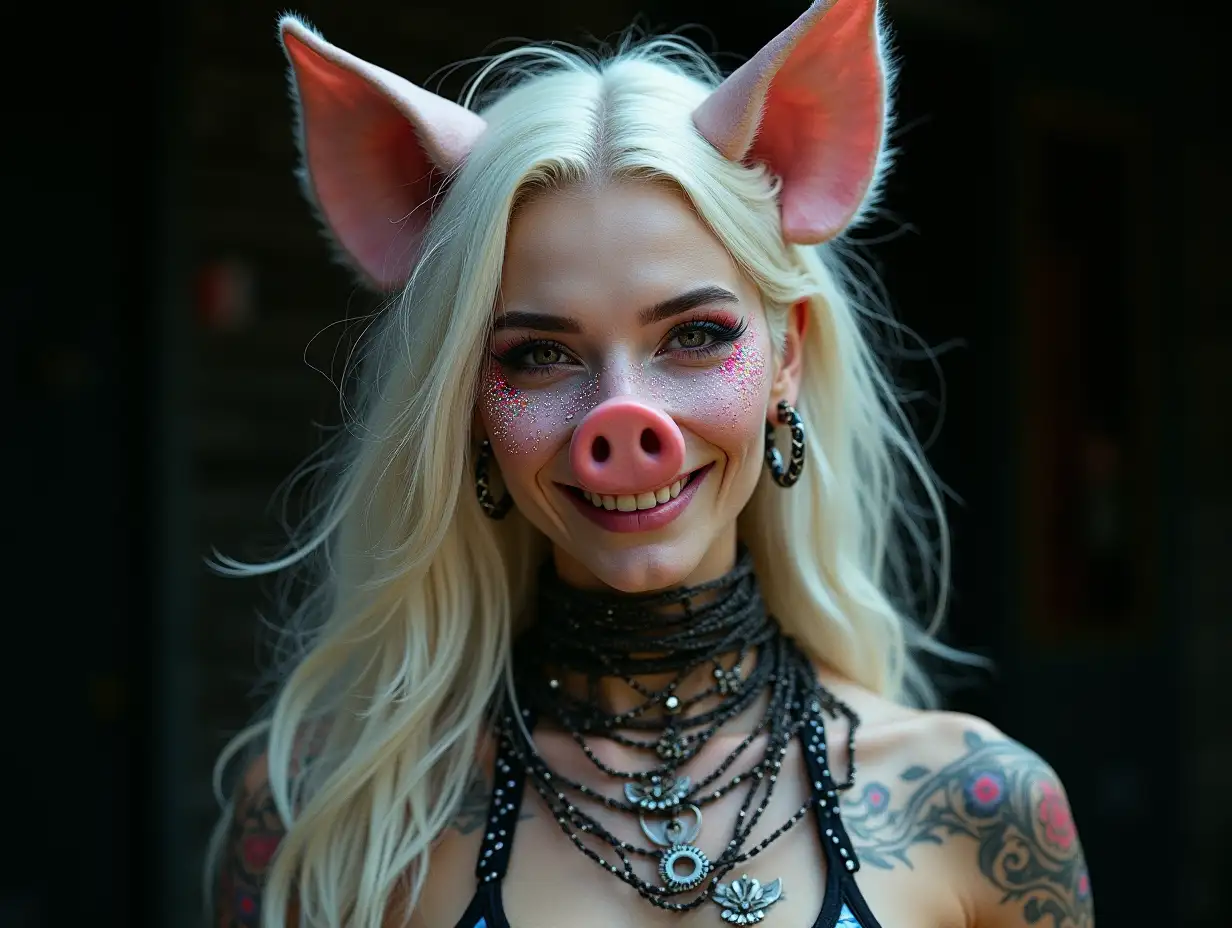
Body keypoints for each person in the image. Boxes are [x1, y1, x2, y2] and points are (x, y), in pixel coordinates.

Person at [208, 2, 1094, 926]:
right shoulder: (325, 820)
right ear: (467, 397)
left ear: (786, 355)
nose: (621, 417)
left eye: (697, 336)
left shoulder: (976, 808)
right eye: (538, 354)